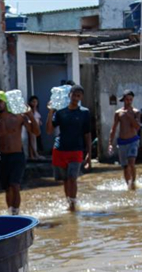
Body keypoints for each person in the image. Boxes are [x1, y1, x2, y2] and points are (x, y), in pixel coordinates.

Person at [0, 91, 40, 215]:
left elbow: (36, 132)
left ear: (5, 102)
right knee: (7, 188)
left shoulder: (18, 117)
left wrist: (29, 115)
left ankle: (16, 212)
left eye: (0, 101)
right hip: (3, 157)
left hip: (17, 156)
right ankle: (11, 212)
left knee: (15, 185)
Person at [46, 84, 91, 212]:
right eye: (73, 95)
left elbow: (87, 133)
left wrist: (89, 153)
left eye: (78, 96)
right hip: (60, 149)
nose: (75, 98)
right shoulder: (60, 112)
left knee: (72, 178)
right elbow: (49, 130)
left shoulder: (84, 112)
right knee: (65, 180)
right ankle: (69, 203)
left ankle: (73, 205)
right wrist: (50, 112)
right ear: (69, 95)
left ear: (81, 97)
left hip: (76, 150)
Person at [108, 89, 142, 190]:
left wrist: (130, 116)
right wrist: (110, 143)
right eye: (127, 99)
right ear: (123, 100)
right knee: (125, 166)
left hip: (133, 140)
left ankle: (134, 183)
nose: (129, 101)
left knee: (131, 163)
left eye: (131, 99)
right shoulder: (118, 113)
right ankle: (128, 185)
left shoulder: (136, 112)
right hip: (122, 142)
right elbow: (113, 128)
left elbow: (137, 127)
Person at [26, 95, 43, 161]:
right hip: (31, 127)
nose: (35, 103)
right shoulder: (30, 110)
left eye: (36, 102)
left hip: (36, 127)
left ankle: (34, 154)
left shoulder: (36, 110)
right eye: (33, 102)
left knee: (34, 141)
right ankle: (33, 154)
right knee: (32, 140)